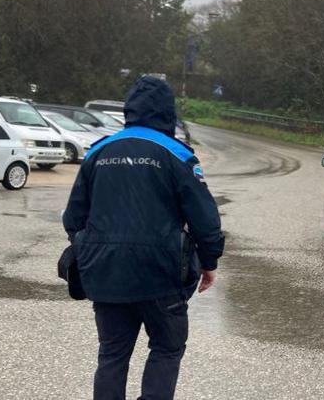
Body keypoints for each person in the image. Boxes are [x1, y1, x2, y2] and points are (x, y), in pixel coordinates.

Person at [63, 76, 224, 400]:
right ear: (168, 112)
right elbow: (205, 220)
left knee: (112, 354)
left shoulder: (98, 151)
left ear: (129, 109)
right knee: (166, 348)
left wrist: (93, 249)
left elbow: (73, 219)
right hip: (161, 274)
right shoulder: (177, 154)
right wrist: (209, 262)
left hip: (107, 273)